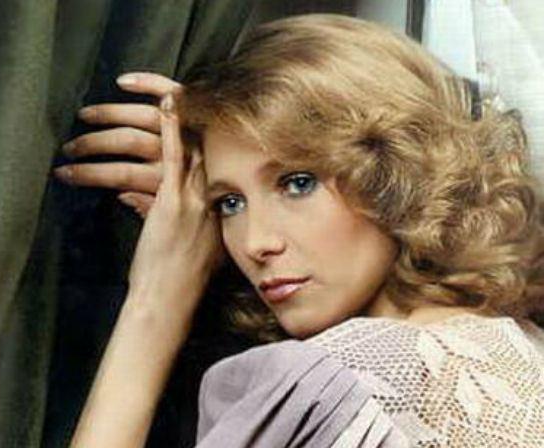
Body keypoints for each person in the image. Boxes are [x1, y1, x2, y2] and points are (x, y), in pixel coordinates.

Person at [53, 14, 544, 447]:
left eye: (298, 183)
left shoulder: (330, 387)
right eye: (229, 203)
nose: (255, 243)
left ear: (399, 175)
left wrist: (155, 306)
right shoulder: (519, 351)